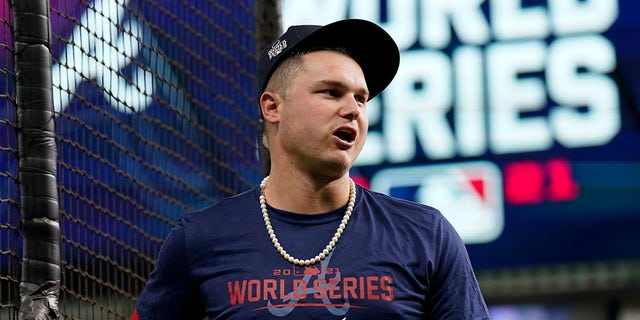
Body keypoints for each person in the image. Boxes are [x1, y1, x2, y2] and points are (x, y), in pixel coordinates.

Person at [132, 19, 490, 319]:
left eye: (361, 98)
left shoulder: (426, 235)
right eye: (332, 92)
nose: (354, 109)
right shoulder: (199, 239)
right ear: (273, 107)